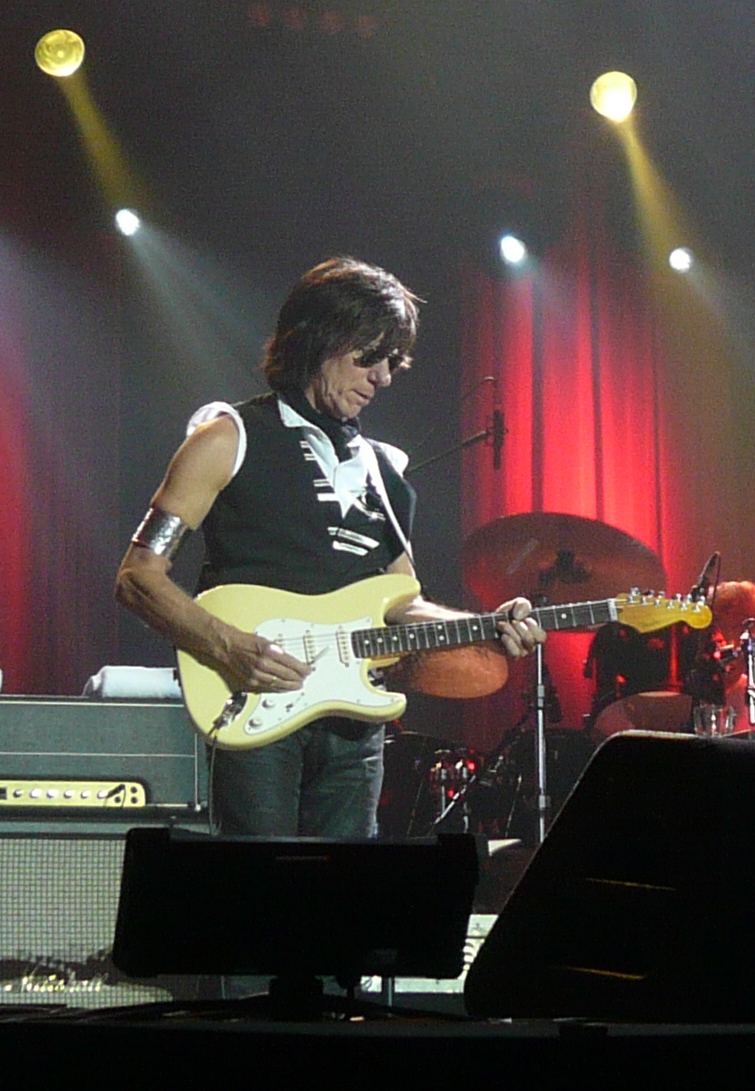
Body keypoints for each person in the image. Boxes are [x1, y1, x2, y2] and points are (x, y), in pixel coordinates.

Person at [116, 256, 544, 837]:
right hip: (255, 707)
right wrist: (226, 646)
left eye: (394, 362)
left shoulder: (385, 473)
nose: (384, 377)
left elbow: (400, 600)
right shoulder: (228, 438)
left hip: (355, 731)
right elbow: (139, 575)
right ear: (317, 339)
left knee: (342, 905)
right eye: (370, 356)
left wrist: (486, 626)